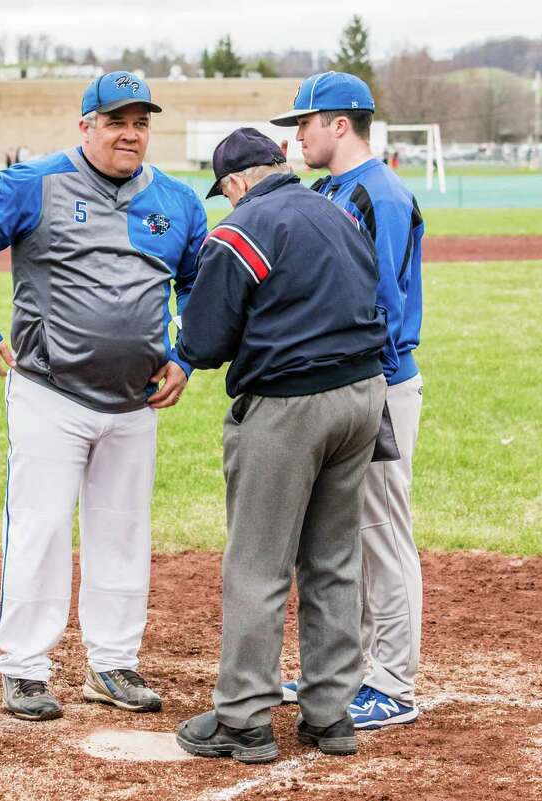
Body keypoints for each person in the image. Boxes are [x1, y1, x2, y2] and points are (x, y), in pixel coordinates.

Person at [0, 70, 208, 722]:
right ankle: (25, 667)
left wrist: (187, 356)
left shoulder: (177, 200)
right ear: (85, 125)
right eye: (116, 121)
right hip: (50, 393)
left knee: (123, 532)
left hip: (133, 400)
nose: (130, 133)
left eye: (141, 122)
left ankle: (112, 662)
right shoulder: (35, 184)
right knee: (42, 527)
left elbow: (200, 284)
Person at [174, 128, 387, 763]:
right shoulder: (336, 209)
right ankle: (330, 714)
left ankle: (242, 718)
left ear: (236, 182)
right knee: (333, 561)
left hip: (290, 406)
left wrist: (181, 355)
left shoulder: (242, 227)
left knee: (258, 566)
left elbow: (207, 340)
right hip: (362, 397)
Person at [271, 71, 426, 731]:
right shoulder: (329, 189)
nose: (296, 134)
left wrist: (354, 375)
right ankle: (343, 668)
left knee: (381, 534)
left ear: (341, 123)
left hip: (378, 381)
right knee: (342, 533)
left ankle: (392, 682)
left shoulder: (378, 194)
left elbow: (382, 302)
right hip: (346, 380)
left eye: (304, 122)